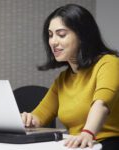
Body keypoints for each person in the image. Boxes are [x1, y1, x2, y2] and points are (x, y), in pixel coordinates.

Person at [21, 4, 119, 149]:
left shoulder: (110, 63)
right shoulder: (63, 79)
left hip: (107, 143)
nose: (53, 42)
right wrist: (27, 119)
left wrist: (88, 133)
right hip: (77, 145)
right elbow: (39, 116)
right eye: (50, 35)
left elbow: (102, 104)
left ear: (82, 36)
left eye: (61, 34)